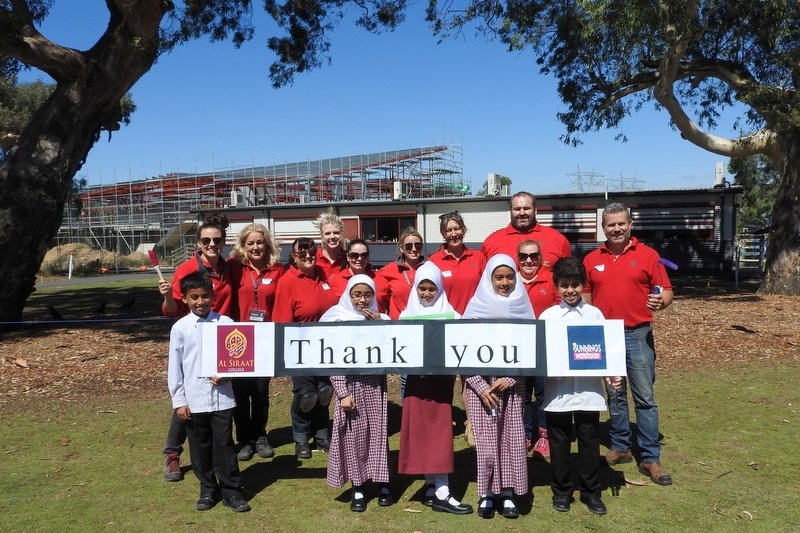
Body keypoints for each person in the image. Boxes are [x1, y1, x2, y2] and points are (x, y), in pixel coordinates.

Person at [582, 202, 674, 486]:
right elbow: (586, 295)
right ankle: (620, 446)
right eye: (611, 225)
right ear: (603, 228)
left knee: (645, 397)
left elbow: (667, 291)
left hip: (638, 334)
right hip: (606, 336)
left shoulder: (648, 256)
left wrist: (662, 302)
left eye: (621, 223)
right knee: (615, 394)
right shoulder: (591, 259)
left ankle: (650, 456)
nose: (616, 228)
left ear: (630, 224)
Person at [540, 257, 622, 515]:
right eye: (564, 285)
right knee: (559, 440)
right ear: (556, 286)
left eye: (575, 284)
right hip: (558, 391)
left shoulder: (594, 314)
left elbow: (604, 349)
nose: (570, 290)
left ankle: (591, 492)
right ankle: (562, 491)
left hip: (588, 390)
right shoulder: (548, 316)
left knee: (589, 440)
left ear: (583, 285)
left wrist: (612, 375)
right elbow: (541, 355)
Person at [158, 213, 236, 482]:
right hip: (195, 337)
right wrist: (168, 296)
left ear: (224, 242)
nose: (212, 244)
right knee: (189, 401)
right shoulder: (187, 270)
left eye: (217, 240)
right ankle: (172, 452)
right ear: (198, 242)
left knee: (215, 403)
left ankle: (222, 458)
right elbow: (173, 311)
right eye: (206, 240)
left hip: (222, 336)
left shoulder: (229, 267)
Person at [167, 272, 250, 512]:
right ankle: (207, 489)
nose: (200, 302)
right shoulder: (180, 328)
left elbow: (239, 358)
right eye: (194, 297)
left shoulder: (225, 324)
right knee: (200, 446)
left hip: (222, 398)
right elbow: (176, 366)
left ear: (212, 297)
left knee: (224, 445)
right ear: (184, 299)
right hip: (194, 398)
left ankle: (231, 491)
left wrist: (228, 373)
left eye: (205, 296)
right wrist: (179, 400)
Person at [462, 254, 534, 519]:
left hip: (512, 388)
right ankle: (487, 494)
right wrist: (480, 386)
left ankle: (508, 493)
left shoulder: (523, 306)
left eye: (509, 277)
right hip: (481, 389)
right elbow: (461, 351)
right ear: (489, 278)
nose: (504, 282)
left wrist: (512, 378)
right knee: (486, 443)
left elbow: (530, 350)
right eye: (499, 277)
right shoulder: (475, 308)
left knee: (511, 441)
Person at [398, 262, 473, 515]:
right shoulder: (405, 316)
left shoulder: (452, 316)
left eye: (432, 289)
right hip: (416, 384)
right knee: (421, 434)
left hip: (440, 384)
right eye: (422, 288)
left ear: (439, 289)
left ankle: (442, 490)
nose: (427, 294)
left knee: (439, 435)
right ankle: (432, 486)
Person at [321, 275, 393, 512]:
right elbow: (330, 358)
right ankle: (358, 485)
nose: (362, 300)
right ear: (348, 295)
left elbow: (394, 348)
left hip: (375, 386)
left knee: (378, 435)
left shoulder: (382, 318)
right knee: (354, 437)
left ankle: (382, 481)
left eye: (367, 295)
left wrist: (379, 324)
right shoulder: (335, 318)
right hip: (350, 386)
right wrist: (341, 392)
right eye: (357, 294)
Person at [272, 237, 340, 459]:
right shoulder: (287, 281)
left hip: (327, 348)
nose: (308, 257)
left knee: (324, 392)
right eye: (302, 254)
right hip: (299, 348)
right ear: (294, 257)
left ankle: (321, 435)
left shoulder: (322, 274)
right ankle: (301, 438)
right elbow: (281, 322)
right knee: (307, 395)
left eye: (311, 252)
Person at [228, 224, 286, 461]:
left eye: (259, 242)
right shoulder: (235, 269)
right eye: (250, 243)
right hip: (238, 339)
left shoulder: (278, 271)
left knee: (261, 392)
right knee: (240, 392)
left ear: (267, 244)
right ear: (243, 246)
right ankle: (243, 439)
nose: (255, 247)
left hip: (265, 339)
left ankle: (260, 435)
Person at [516, 239, 559, 459]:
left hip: (544, 347)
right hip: (518, 349)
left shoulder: (551, 280)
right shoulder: (510, 280)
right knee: (521, 395)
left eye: (533, 256)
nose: (529, 260)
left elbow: (560, 312)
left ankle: (544, 434)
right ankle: (524, 433)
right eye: (524, 256)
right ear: (518, 259)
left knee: (543, 394)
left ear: (540, 258)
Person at [480, 191, 572, 269]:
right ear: (510, 211)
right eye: (517, 209)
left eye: (527, 208)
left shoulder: (557, 239)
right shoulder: (492, 242)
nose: (522, 213)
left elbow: (570, 277)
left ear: (535, 210)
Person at [428, 210, 486, 315]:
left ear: (463, 230)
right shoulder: (434, 261)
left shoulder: (478, 257)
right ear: (443, 234)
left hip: (474, 318)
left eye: (457, 229)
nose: (454, 234)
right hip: (447, 320)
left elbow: (488, 290)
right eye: (449, 230)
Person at [376, 228, 426, 320]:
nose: (414, 249)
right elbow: (378, 297)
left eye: (418, 245)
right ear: (401, 248)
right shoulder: (388, 271)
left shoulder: (429, 268)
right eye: (408, 246)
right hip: (398, 325)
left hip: (424, 323)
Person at [313, 208, 348, 279]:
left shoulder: (349, 258)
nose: (332, 237)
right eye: (327, 233)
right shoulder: (313, 257)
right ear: (321, 235)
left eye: (336, 233)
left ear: (342, 233)